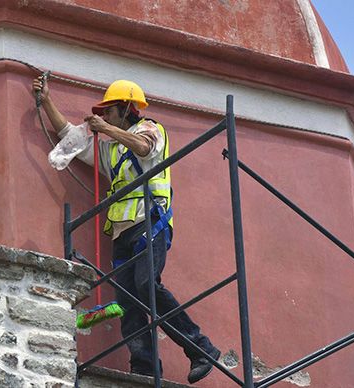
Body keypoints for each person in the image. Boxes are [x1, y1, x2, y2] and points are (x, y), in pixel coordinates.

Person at [33, 76, 221, 384]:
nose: (105, 116)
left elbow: (144, 149)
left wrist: (105, 129)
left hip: (150, 223)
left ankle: (200, 348)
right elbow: (68, 136)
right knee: (128, 302)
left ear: (126, 109)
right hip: (122, 234)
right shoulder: (113, 153)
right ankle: (144, 366)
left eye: (109, 111)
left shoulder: (151, 129)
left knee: (148, 285)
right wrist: (47, 100)